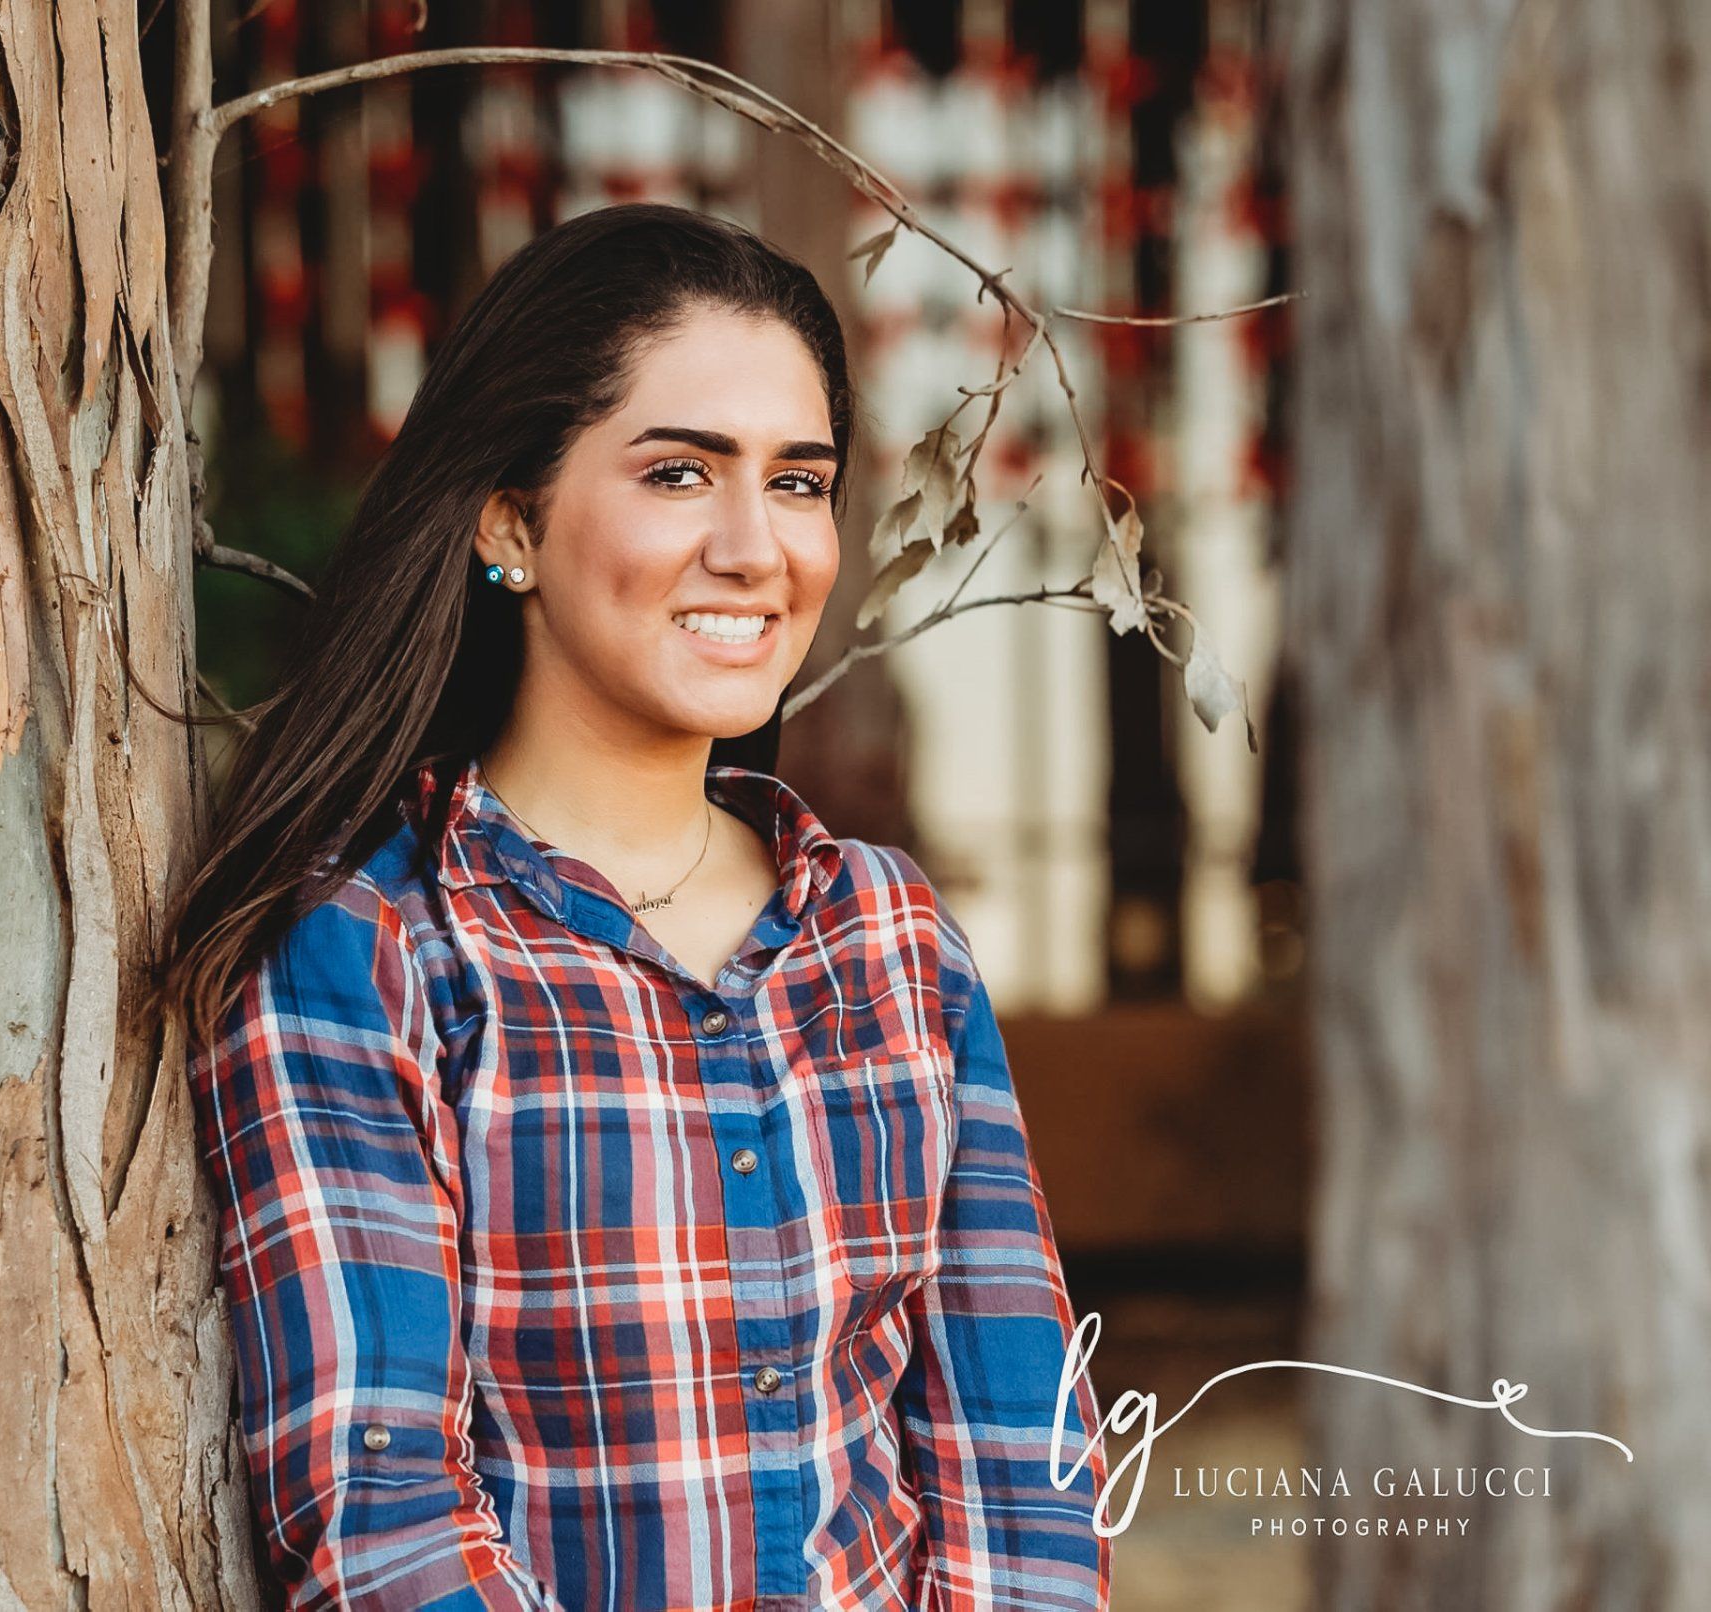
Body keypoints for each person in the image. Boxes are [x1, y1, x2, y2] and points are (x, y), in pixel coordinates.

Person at [158, 202, 1111, 1611]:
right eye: (680, 474)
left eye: (799, 483)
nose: (754, 547)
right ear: (508, 523)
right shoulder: (374, 954)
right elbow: (380, 1520)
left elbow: (1025, 1474)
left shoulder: (893, 943)